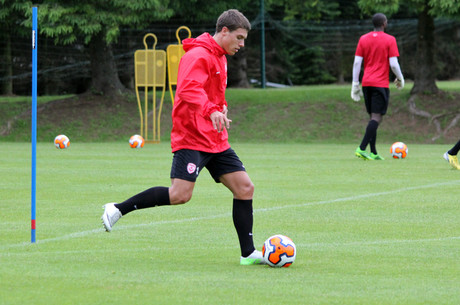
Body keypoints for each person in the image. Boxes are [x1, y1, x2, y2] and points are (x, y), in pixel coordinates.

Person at [101, 9, 265, 265]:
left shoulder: (220, 56)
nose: (242, 44)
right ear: (224, 31)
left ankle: (248, 254)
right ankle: (117, 209)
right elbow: (188, 90)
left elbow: (211, 92)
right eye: (240, 38)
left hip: (215, 139)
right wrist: (210, 110)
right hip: (191, 137)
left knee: (245, 188)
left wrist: (220, 109)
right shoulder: (198, 55)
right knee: (180, 195)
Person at [351, 13, 404, 160]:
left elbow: (357, 63)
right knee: (376, 117)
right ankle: (362, 148)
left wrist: (355, 83)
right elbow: (393, 64)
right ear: (384, 24)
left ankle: (373, 152)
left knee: (373, 117)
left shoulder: (363, 39)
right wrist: (400, 78)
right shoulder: (390, 40)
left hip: (366, 83)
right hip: (380, 84)